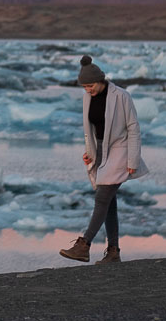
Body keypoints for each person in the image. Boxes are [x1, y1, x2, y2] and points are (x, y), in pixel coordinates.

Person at [59, 55, 149, 264]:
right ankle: (113, 252)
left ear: (101, 81)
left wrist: (133, 160)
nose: (88, 90)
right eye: (84, 87)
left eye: (90, 86)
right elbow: (90, 129)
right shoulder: (87, 98)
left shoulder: (121, 96)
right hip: (100, 150)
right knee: (109, 203)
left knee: (101, 198)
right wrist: (90, 152)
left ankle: (84, 245)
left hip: (121, 150)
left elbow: (133, 129)